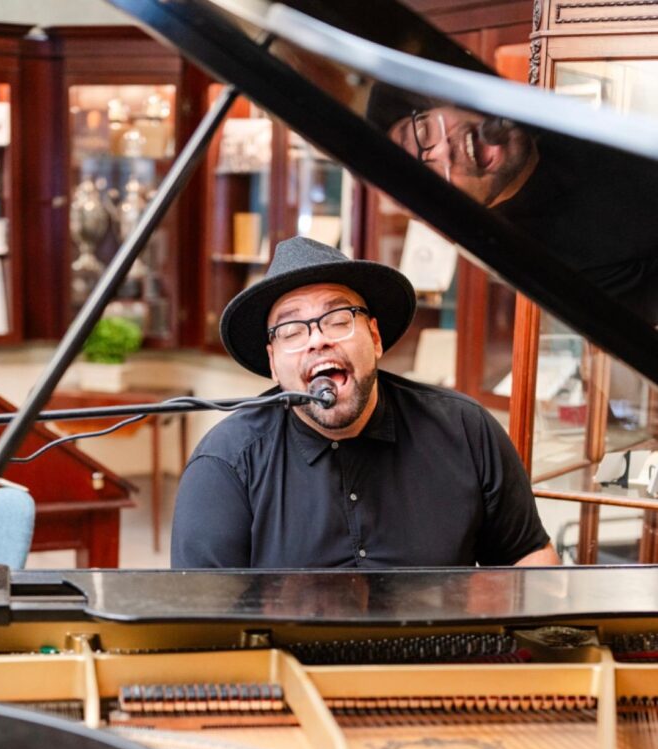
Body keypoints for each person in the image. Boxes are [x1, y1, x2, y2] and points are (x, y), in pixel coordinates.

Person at [170, 236, 559, 569]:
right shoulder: (225, 464)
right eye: (291, 330)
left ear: (374, 337)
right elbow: (201, 614)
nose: (317, 340)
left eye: (338, 319)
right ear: (273, 363)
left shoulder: (466, 430)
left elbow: (529, 558)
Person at [368, 84, 658, 322]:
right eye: (429, 177)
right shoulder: (556, 273)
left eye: (423, 132)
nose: (443, 150)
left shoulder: (540, 90)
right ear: (451, 208)